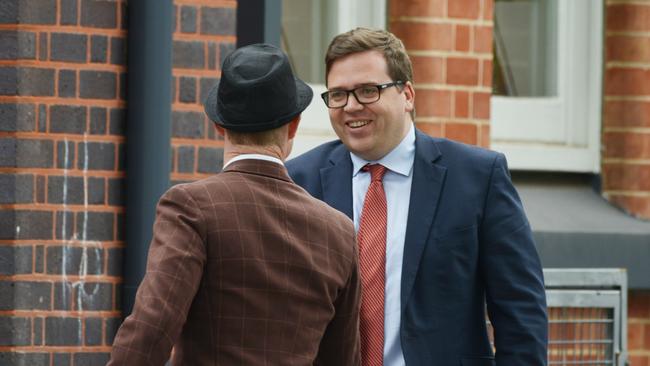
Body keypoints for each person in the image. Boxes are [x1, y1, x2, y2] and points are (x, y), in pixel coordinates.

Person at [286, 28, 548, 365]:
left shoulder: (478, 178)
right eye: (338, 95)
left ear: (407, 95)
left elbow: (521, 311)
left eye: (368, 91)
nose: (351, 106)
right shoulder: (299, 181)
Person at [108, 43, 361, 366]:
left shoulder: (191, 207)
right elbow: (342, 359)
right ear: (294, 125)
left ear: (219, 124)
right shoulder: (339, 232)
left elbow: (150, 331)